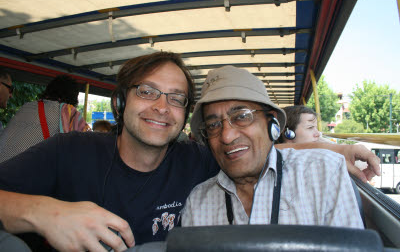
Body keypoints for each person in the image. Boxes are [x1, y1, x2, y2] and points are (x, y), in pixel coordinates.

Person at [0, 52, 379, 251]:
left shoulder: (201, 163)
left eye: (176, 98)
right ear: (120, 102)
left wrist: (332, 148)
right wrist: (43, 213)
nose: (161, 107)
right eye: (147, 91)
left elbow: (253, 147)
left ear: (183, 116)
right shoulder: (68, 151)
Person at [181, 66, 364, 229]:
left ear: (272, 122)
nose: (227, 136)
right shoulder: (198, 203)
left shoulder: (324, 173)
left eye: (242, 116)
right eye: (213, 125)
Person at [0, 75, 91, 163]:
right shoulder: (67, 111)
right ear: (73, 97)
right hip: (20, 174)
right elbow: (90, 145)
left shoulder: (27, 106)